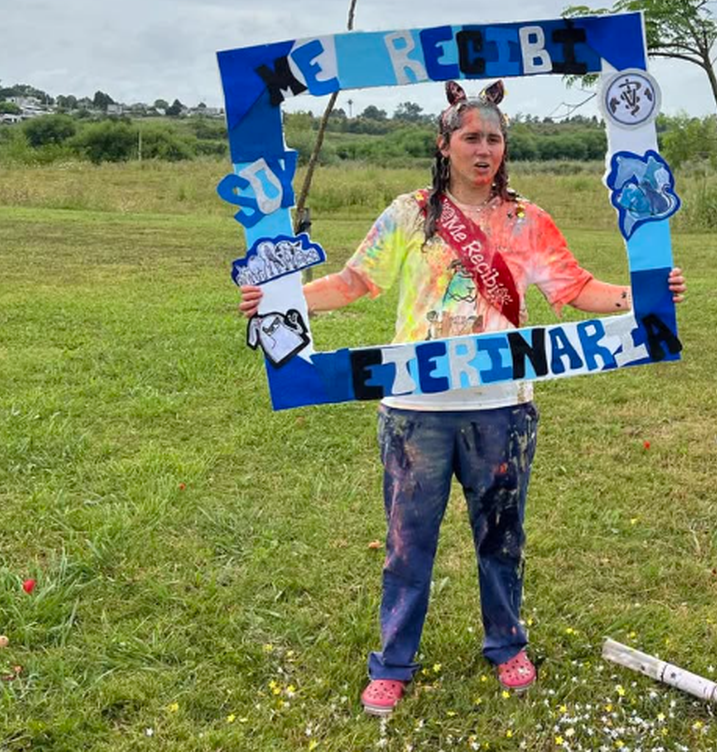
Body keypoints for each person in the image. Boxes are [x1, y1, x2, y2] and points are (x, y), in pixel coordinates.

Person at [239, 79, 686, 716]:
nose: (484, 149)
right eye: (471, 137)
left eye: (494, 138)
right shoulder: (409, 213)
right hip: (415, 410)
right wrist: (282, 298)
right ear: (444, 143)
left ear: (505, 147)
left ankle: (507, 646)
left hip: (502, 406)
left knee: (502, 536)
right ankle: (393, 661)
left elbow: (577, 287)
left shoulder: (526, 221)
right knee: (407, 542)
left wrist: (646, 296)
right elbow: (353, 282)